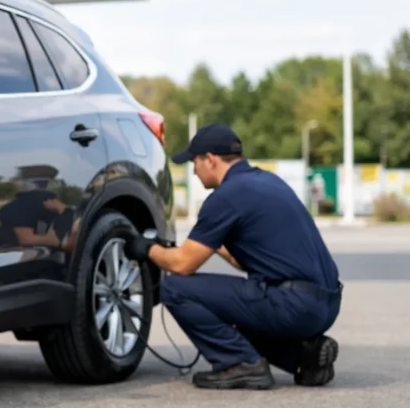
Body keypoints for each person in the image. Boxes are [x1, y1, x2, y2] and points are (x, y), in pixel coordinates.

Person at [120, 123, 342, 390]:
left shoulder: (225, 197)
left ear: (210, 160)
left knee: (176, 289)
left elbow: (182, 265)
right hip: (326, 303)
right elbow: (246, 259)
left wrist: (146, 248)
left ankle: (239, 364)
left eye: (195, 162)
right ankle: (304, 357)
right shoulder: (267, 181)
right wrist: (209, 243)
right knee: (230, 308)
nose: (193, 170)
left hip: (294, 304)